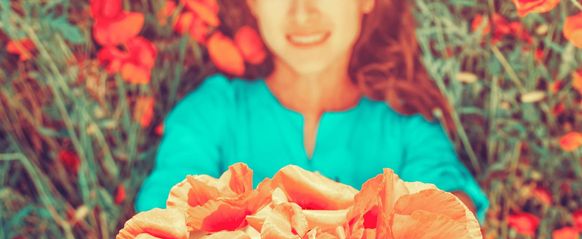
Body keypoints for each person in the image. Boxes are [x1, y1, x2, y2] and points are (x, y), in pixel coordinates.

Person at [135, 0, 490, 226]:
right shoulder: (213, 113)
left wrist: (451, 234)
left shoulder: (407, 127)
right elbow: (157, 230)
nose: (302, 12)